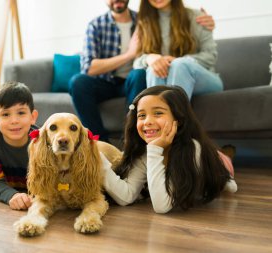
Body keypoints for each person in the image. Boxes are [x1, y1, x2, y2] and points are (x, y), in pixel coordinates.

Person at [69, 0, 216, 142]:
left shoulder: (143, 19)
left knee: (140, 73)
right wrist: (132, 55)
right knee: (78, 82)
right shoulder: (98, 25)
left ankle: (133, 140)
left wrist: (206, 22)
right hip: (105, 82)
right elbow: (88, 68)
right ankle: (99, 142)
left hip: (135, 79)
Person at [102, 85, 237, 213]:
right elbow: (126, 196)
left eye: (158, 113)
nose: (147, 121)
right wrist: (98, 161)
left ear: (178, 120)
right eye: (141, 115)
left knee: (230, 186)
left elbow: (161, 206)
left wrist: (155, 149)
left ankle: (226, 158)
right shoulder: (145, 152)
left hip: (215, 162)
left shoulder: (192, 148)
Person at [133, 0, 222, 100]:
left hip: (205, 79)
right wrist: (149, 58)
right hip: (166, 81)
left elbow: (210, 56)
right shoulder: (143, 22)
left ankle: (165, 113)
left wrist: (178, 61)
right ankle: (163, 113)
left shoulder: (197, 16)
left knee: (179, 65)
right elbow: (136, 64)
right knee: (154, 68)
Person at [0, 82, 38, 210]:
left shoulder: (41, 140)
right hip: (14, 190)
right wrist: (12, 195)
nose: (14, 121)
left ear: (32, 117)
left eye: (21, 113)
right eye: (6, 114)